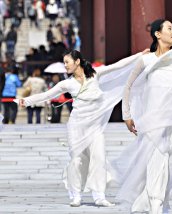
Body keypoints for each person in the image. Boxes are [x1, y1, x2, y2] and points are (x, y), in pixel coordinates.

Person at [106, 7, 172, 214]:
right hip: (154, 126)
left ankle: (159, 208)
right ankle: (156, 209)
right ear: (157, 34)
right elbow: (128, 86)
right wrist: (127, 115)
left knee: (170, 175)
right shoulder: (146, 60)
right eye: (169, 28)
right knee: (157, 171)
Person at [17, 48, 150, 207]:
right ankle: (75, 195)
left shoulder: (95, 74)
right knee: (77, 161)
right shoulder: (67, 83)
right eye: (64, 62)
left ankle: (99, 195)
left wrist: (140, 55)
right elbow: (47, 95)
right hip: (76, 126)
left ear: (77, 61)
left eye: (67, 62)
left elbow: (118, 66)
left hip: (94, 126)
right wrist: (26, 101)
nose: (65, 65)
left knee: (99, 158)